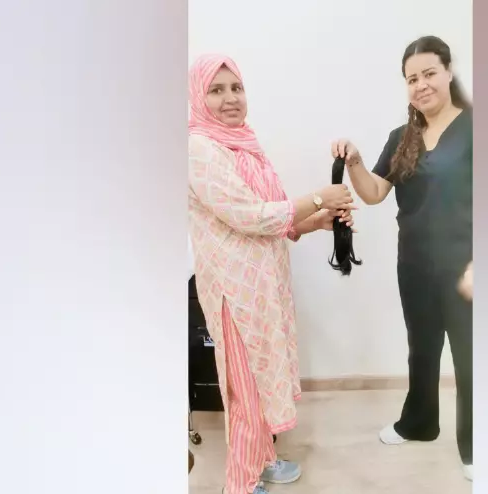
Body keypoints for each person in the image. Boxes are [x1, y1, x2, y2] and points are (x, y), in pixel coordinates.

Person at [188, 54, 356, 494]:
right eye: (216, 90)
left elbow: (273, 214)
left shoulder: (243, 143)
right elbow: (250, 215)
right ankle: (240, 485)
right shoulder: (199, 148)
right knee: (247, 393)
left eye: (236, 88)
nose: (230, 98)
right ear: (198, 98)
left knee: (263, 381)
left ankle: (263, 459)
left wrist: (316, 222)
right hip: (235, 293)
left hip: (263, 286)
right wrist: (319, 199)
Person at [331, 35, 473, 481]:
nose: (421, 85)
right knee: (422, 350)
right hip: (414, 265)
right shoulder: (402, 137)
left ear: (448, 72)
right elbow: (374, 192)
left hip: (465, 267)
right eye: (412, 78)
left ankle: (477, 446)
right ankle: (419, 424)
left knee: (470, 356)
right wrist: (355, 162)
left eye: (429, 73)